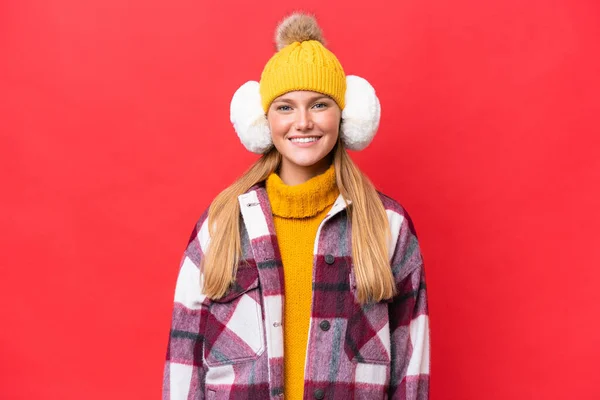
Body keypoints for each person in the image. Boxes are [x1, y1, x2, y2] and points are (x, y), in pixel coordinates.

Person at [163, 12, 430, 400]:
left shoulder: (388, 227)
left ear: (346, 115)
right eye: (285, 107)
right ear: (263, 120)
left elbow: (412, 367)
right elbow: (183, 361)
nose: (302, 122)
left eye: (319, 104)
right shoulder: (221, 226)